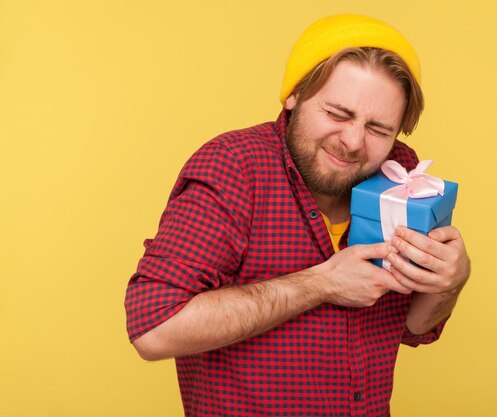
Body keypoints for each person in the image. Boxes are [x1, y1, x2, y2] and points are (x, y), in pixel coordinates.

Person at [125, 14, 470, 417]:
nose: (353, 141)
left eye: (378, 129)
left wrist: (448, 282)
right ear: (294, 95)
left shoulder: (401, 177)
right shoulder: (232, 168)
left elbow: (412, 328)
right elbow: (154, 329)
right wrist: (322, 283)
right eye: (338, 114)